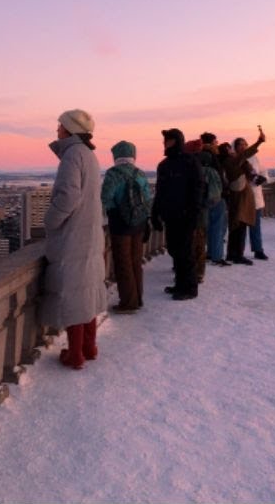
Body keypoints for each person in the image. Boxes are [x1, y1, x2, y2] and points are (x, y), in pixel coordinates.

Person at [42, 110, 109, 370]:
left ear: (69, 129)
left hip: (73, 235)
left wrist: (50, 221)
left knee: (73, 293)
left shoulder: (71, 155)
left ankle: (76, 354)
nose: (56, 129)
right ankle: (89, 347)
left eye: (59, 125)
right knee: (88, 291)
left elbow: (69, 196)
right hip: (90, 234)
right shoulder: (89, 155)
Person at [101, 140, 152, 313]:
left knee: (123, 262)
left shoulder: (113, 174)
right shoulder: (140, 174)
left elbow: (106, 198)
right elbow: (147, 198)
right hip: (139, 222)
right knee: (136, 261)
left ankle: (128, 302)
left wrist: (112, 213)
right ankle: (138, 298)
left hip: (120, 223)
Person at [153, 128, 204, 300]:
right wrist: (155, 214)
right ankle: (180, 284)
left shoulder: (190, 162)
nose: (164, 143)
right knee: (175, 250)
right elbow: (159, 192)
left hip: (185, 215)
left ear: (177, 141)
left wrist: (193, 214)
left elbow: (198, 189)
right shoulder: (164, 165)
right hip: (170, 216)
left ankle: (189, 288)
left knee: (185, 252)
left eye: (168, 140)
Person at [222, 128, 266, 265]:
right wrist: (258, 142)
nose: (242, 147)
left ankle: (234, 253)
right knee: (238, 225)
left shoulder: (240, 161)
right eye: (238, 145)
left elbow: (253, 172)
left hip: (245, 196)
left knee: (240, 225)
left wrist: (259, 178)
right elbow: (243, 157)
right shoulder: (232, 161)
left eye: (244, 144)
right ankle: (236, 254)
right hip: (239, 197)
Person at [200, 133, 230, 266]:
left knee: (208, 226)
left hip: (204, 196)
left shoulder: (198, 155)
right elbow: (220, 177)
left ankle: (210, 253)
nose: (217, 144)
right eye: (215, 142)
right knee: (218, 225)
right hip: (217, 196)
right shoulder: (213, 157)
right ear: (212, 142)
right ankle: (216, 255)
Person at [244, 141, 270, 260]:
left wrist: (263, 178)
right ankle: (237, 251)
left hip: (256, 197)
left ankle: (258, 249)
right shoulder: (237, 159)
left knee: (256, 226)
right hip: (244, 196)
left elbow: (263, 170)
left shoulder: (254, 158)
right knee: (240, 227)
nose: (244, 146)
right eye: (241, 144)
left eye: (245, 144)